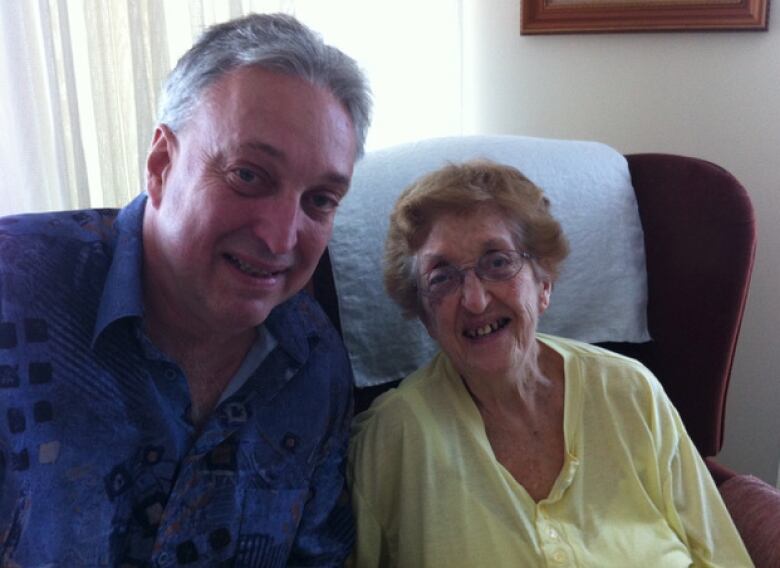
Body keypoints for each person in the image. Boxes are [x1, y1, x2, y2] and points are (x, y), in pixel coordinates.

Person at [0, 13, 371, 566]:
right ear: (161, 164)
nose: (279, 237)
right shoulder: (16, 287)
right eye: (249, 175)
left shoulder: (318, 368)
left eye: (319, 199)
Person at [348, 160, 752, 567]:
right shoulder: (394, 437)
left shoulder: (631, 392)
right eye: (441, 277)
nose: (475, 299)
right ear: (424, 316)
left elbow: (722, 556)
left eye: (498, 262)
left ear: (544, 284)